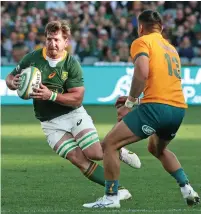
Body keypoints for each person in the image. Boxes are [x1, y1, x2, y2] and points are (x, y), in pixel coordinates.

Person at [5, 20, 142, 201]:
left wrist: (51, 95)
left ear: (66, 42)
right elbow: (10, 77)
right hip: (49, 122)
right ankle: (119, 190)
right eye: (49, 39)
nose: (52, 43)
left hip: (73, 114)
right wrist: (12, 82)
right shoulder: (32, 59)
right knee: (78, 159)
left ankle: (118, 150)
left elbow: (77, 98)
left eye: (56, 40)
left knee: (95, 154)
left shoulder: (71, 64)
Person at [83, 10, 200, 208]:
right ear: (161, 28)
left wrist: (129, 103)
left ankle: (111, 197)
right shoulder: (171, 49)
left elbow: (142, 72)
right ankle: (187, 188)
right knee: (157, 148)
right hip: (178, 109)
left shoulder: (142, 41)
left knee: (109, 144)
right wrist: (138, 102)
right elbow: (163, 86)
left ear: (140, 28)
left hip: (156, 108)